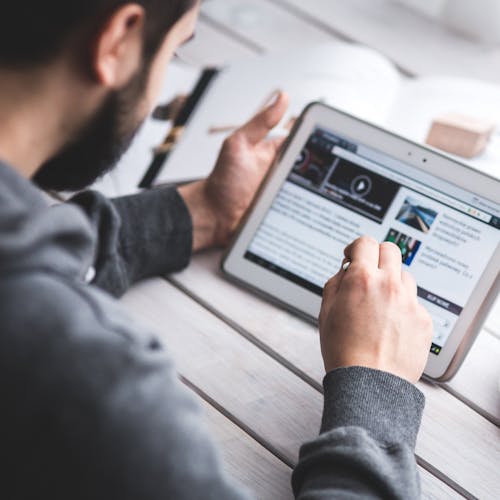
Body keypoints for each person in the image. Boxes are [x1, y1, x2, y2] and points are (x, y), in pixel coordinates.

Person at [0, 1, 434, 499]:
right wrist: (374, 384)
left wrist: (201, 211)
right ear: (119, 38)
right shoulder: (87, 381)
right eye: (175, 49)